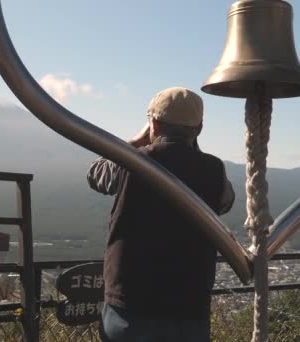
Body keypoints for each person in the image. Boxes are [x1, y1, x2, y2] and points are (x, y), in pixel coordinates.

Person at [87, 87, 235, 341]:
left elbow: (96, 175)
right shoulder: (213, 169)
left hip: (130, 304)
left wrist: (134, 142)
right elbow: (225, 202)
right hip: (189, 306)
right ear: (199, 128)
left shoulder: (131, 161)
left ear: (153, 124)